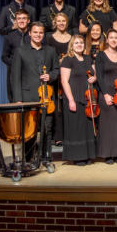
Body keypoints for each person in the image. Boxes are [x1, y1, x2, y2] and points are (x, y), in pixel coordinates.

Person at [11, 21, 59, 163]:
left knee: (47, 129)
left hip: (46, 97)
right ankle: (29, 159)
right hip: (28, 97)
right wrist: (18, 99)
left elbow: (56, 70)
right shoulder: (20, 51)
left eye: (41, 32)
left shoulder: (50, 50)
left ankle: (46, 157)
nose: (38, 35)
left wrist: (50, 75)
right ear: (30, 33)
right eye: (35, 32)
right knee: (29, 131)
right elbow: (15, 77)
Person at [60, 35, 97, 166]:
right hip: (74, 97)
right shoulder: (68, 59)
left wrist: (95, 77)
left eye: (81, 42)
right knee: (76, 129)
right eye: (76, 43)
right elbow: (64, 81)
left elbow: (95, 73)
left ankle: (87, 155)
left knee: (86, 128)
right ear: (72, 45)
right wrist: (71, 100)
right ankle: (78, 157)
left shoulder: (88, 58)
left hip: (87, 98)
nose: (79, 45)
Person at [95, 29, 117, 164]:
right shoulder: (101, 56)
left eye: (116, 38)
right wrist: (106, 94)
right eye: (111, 37)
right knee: (107, 125)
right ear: (107, 40)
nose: (114, 40)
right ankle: (107, 154)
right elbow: (100, 77)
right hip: (106, 93)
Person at [46, 13, 72, 147]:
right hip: (56, 77)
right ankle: (58, 136)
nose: (61, 23)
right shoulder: (49, 38)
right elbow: (48, 57)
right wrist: (58, 61)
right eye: (59, 21)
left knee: (68, 104)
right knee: (57, 107)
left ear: (67, 23)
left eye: (64, 21)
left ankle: (69, 134)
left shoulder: (71, 38)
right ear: (55, 22)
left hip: (69, 76)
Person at [1, 9, 31, 102]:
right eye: (19, 19)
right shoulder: (10, 37)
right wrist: (15, 64)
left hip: (30, 72)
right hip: (13, 72)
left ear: (28, 20)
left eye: (24, 18)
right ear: (15, 21)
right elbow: (4, 57)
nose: (21, 21)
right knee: (14, 99)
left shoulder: (33, 35)